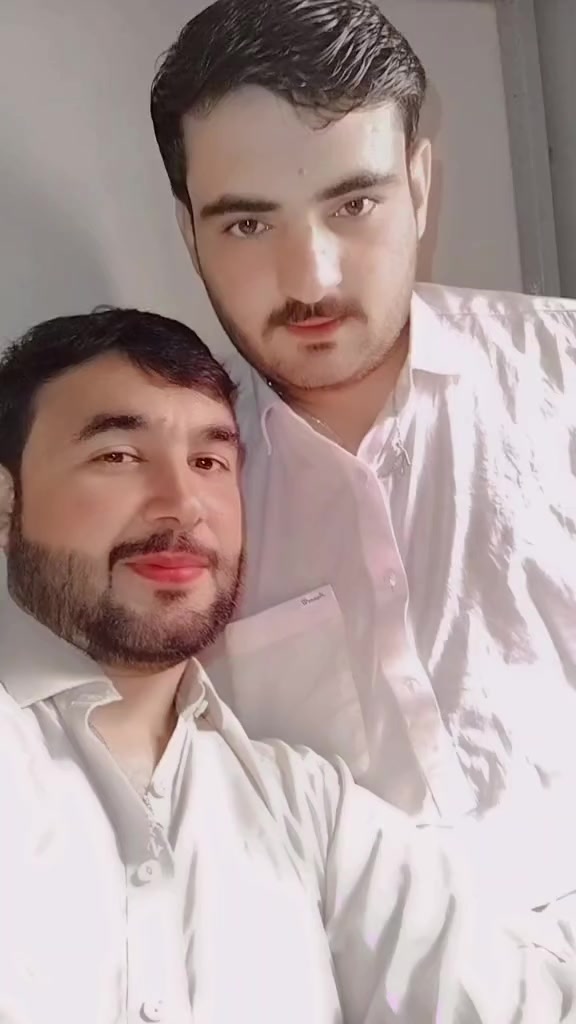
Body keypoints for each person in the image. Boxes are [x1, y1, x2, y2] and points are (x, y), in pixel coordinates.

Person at [1, 306, 575, 1024]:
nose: (183, 504)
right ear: (6, 504)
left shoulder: (311, 814)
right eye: (118, 455)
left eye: (209, 462)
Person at [149, 0, 576, 946]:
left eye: (354, 204)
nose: (313, 277)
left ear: (418, 180)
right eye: (248, 224)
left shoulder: (562, 377)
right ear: (189, 232)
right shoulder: (177, 506)